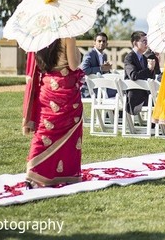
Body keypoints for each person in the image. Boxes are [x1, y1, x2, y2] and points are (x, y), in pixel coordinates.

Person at [22, 37, 84, 188]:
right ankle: (66, 174)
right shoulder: (67, 36)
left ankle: (33, 173)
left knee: (43, 131)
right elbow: (74, 66)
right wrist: (77, 53)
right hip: (65, 90)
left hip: (47, 87)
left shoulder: (39, 37)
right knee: (71, 132)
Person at [124, 31, 159, 114]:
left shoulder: (143, 57)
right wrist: (148, 69)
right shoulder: (130, 57)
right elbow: (133, 75)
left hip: (145, 94)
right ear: (135, 43)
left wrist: (152, 69)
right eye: (144, 41)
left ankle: (161, 125)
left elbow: (150, 78)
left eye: (147, 42)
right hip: (135, 97)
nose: (146, 44)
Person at [80, 32, 112, 97]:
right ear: (94, 43)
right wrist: (101, 68)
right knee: (118, 91)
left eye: (104, 41)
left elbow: (101, 72)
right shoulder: (89, 54)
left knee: (119, 89)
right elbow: (84, 70)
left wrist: (106, 70)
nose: (102, 43)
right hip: (89, 89)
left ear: (107, 44)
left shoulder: (104, 55)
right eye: (99, 41)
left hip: (101, 86)